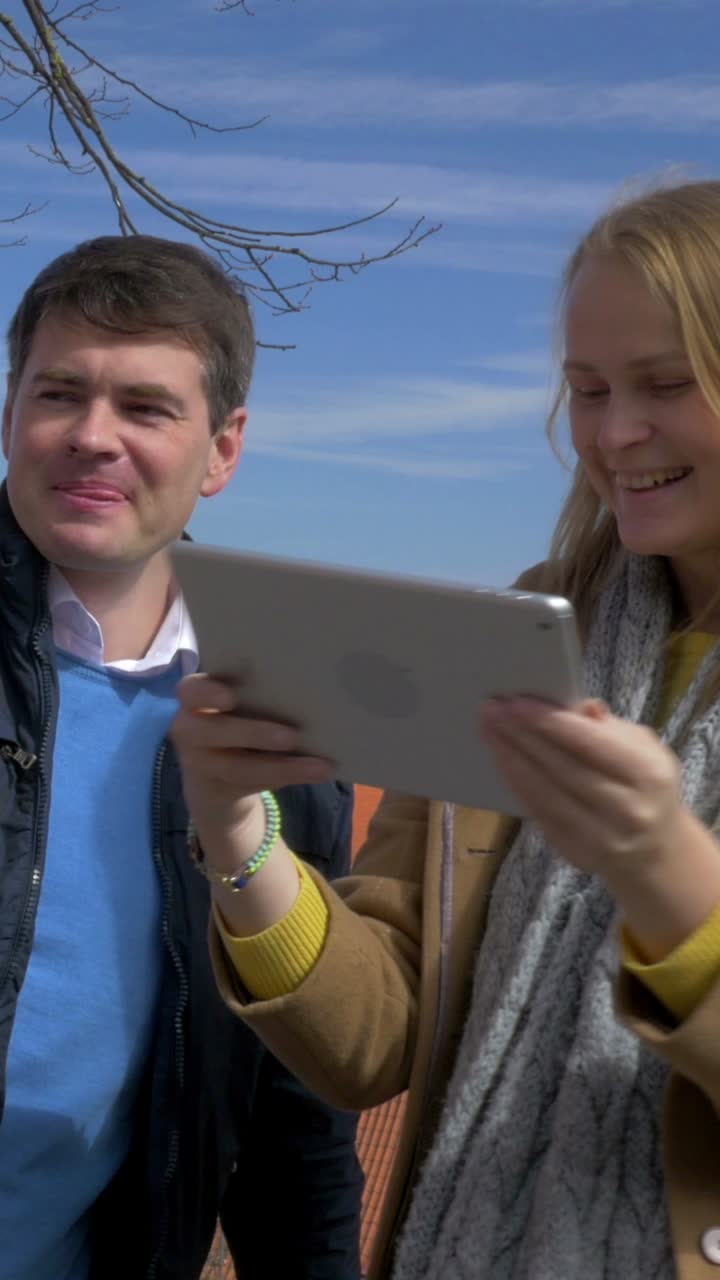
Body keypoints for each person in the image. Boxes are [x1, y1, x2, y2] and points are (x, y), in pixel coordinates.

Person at [170, 177, 720, 1280]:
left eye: (665, 383)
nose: (615, 433)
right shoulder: (521, 629)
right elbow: (375, 1036)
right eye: (587, 387)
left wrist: (668, 877)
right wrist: (239, 838)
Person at [0, 234, 363, 1280]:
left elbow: (294, 1101)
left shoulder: (282, 719)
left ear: (223, 446)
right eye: (59, 392)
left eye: (146, 407)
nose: (92, 437)